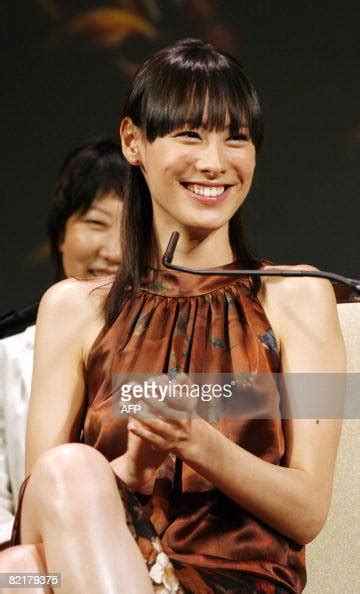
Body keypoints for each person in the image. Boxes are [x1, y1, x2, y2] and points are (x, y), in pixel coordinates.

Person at [0, 39, 345, 594]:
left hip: (236, 581)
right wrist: (134, 469)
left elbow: (308, 511)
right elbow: (43, 510)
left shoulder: (299, 297)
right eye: (190, 134)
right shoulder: (72, 308)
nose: (215, 161)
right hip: (101, 563)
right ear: (133, 141)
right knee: (29, 543)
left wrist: (198, 442)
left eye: (236, 137)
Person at [0, 139, 127, 547]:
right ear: (60, 235)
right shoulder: (7, 354)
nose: (112, 250)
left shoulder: (185, 345)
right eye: (95, 222)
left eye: (132, 229)